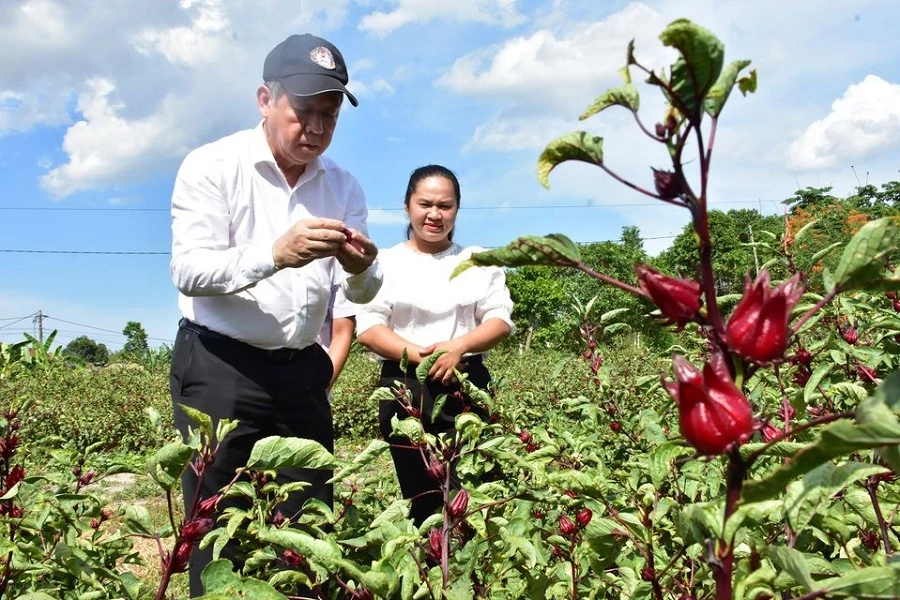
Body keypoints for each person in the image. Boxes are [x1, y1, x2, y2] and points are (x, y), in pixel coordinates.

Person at [168, 33, 381, 595]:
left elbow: (357, 296)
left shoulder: (343, 187)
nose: (316, 128)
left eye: (329, 115)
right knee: (213, 526)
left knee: (309, 519)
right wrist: (273, 255)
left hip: (300, 372)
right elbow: (189, 269)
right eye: (304, 112)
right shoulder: (212, 166)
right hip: (220, 368)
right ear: (266, 99)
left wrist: (362, 268)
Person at [355, 164, 514, 525]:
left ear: (457, 209)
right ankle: (432, 565)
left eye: (445, 205)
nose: (434, 214)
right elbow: (368, 326)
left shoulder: (477, 261)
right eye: (425, 203)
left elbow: (500, 320)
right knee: (422, 491)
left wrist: (458, 347)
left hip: (466, 384)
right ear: (407, 205)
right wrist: (419, 355)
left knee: (473, 486)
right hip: (404, 385)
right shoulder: (385, 262)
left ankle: (473, 571)